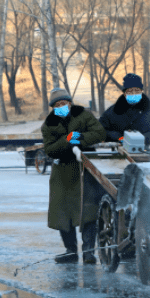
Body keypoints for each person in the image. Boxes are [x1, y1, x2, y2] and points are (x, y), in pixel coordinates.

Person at [41, 88, 106, 264]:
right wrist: (66, 140)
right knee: (63, 213)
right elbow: (50, 150)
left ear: (70, 103)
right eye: (57, 105)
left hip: (86, 168)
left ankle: (88, 251)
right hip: (62, 173)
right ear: (53, 107)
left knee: (89, 210)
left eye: (64, 103)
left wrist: (81, 138)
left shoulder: (84, 115)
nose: (61, 107)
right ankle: (70, 250)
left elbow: (99, 133)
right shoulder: (49, 124)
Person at [99, 73, 150, 146]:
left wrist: (144, 138)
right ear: (124, 93)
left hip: (149, 152)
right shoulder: (112, 112)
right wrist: (119, 137)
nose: (134, 94)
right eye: (130, 91)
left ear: (141, 91)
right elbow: (100, 130)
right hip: (119, 152)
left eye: (137, 91)